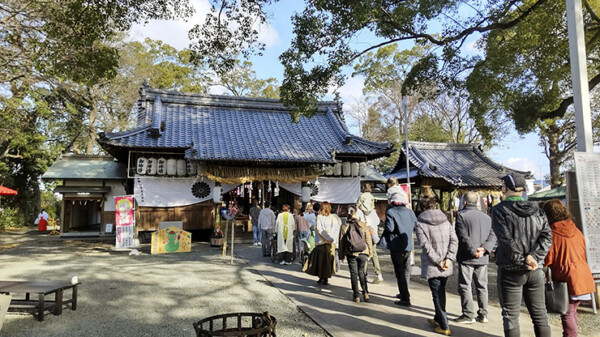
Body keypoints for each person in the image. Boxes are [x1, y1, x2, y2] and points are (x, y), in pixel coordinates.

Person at [491, 174, 552, 337]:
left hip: (511, 270)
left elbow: (506, 240)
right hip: (535, 269)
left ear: (505, 189)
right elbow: (547, 236)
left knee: (511, 315)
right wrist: (534, 257)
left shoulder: (499, 210)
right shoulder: (537, 210)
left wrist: (522, 260)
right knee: (540, 314)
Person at [542, 199, 595, 337]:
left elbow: (548, 259)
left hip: (567, 278)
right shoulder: (576, 230)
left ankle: (571, 335)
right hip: (583, 276)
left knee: (567, 313)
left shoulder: (553, 233)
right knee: (572, 311)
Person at [416, 196, 458, 336]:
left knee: (437, 294)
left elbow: (425, 246)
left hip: (433, 264)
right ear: (434, 205)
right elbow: (454, 240)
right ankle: (437, 318)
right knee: (441, 290)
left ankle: (444, 325)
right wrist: (449, 258)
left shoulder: (420, 223)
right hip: (446, 263)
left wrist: (438, 261)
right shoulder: (446, 220)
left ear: (422, 208)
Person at [454, 191, 497, 324]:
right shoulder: (486, 217)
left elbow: (462, 236)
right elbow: (493, 234)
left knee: (465, 286)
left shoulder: (461, 215)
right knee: (482, 286)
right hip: (482, 257)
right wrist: (484, 249)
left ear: (464, 202)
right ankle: (483, 314)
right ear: (477, 202)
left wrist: (473, 251)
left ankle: (468, 314)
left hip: (467, 257)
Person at [382, 186, 417, 306]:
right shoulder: (410, 212)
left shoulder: (391, 212)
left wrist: (384, 221)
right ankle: (404, 292)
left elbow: (390, 228)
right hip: (408, 244)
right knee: (407, 271)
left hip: (396, 245)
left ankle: (405, 298)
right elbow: (415, 225)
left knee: (399, 271)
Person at [339, 206, 373, 303]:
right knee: (362, 272)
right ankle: (366, 293)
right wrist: (370, 251)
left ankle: (356, 295)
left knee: (353, 274)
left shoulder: (344, 226)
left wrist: (341, 255)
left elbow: (342, 242)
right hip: (363, 252)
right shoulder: (362, 225)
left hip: (351, 252)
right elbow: (368, 239)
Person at [303, 201, 339, 285]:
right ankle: (324, 277)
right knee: (327, 262)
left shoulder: (319, 217)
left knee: (321, 261)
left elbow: (319, 229)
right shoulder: (333, 218)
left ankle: (322, 277)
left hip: (321, 242)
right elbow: (335, 230)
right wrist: (331, 239)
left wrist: (327, 238)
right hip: (330, 243)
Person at [357, 184, 383, 284]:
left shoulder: (359, 211)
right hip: (373, 233)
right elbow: (377, 222)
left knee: (364, 253)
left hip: (364, 234)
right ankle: (378, 273)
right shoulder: (373, 211)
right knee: (374, 254)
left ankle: (364, 274)